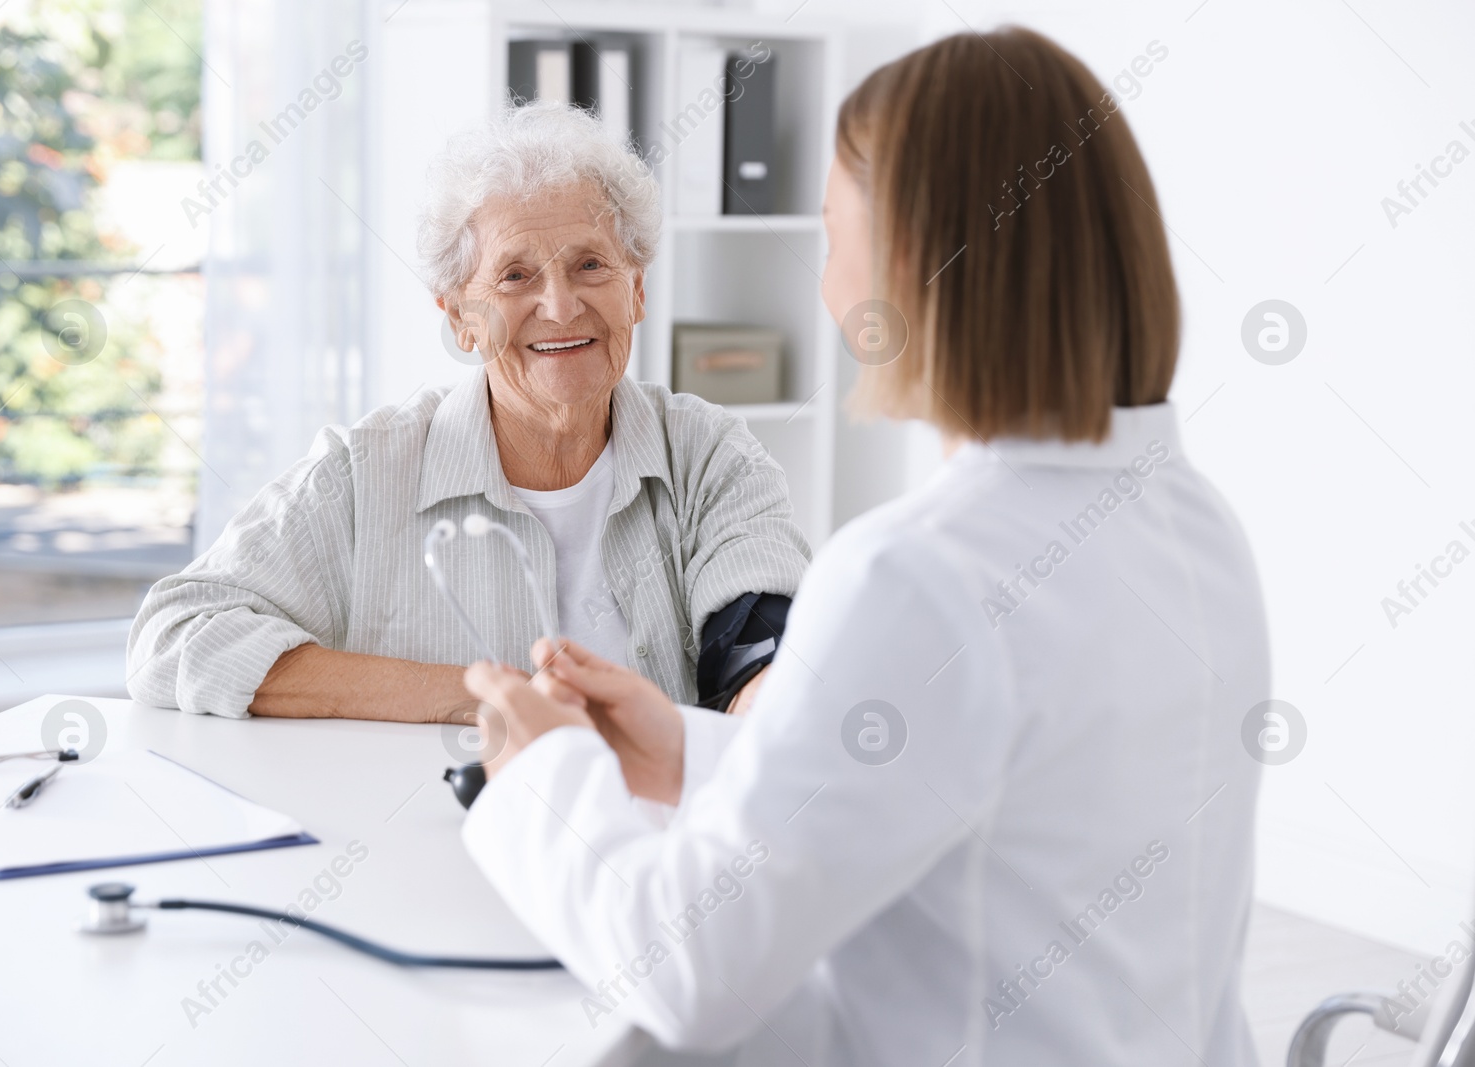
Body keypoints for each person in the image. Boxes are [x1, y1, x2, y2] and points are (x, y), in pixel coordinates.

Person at [460, 27, 1269, 1067]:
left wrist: (542, 772)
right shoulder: (1193, 526)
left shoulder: (919, 573)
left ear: (911, 262)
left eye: (835, 232)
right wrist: (690, 748)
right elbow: (982, 782)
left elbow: (689, 971)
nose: (826, 280)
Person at [126, 103, 810, 725]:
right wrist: (480, 694)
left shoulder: (711, 456)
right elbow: (173, 634)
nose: (562, 306)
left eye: (591, 265)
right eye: (515, 276)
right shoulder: (364, 474)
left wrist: (774, 705)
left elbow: (758, 644)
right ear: (460, 318)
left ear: (636, 290)